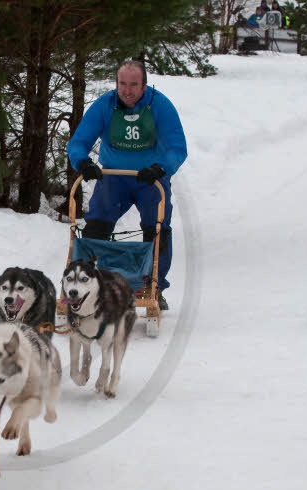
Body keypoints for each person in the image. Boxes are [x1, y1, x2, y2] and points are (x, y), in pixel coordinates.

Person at [66, 60, 187, 310]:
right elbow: (78, 142)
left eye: (133, 85)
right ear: (116, 83)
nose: (127, 90)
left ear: (144, 85)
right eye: (122, 84)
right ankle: (87, 284)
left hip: (150, 179)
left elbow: (177, 147)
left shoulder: (159, 106)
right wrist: (83, 162)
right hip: (114, 176)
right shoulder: (105, 106)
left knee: (157, 230)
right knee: (95, 227)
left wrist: (161, 167)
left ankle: (155, 286)